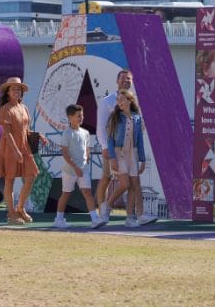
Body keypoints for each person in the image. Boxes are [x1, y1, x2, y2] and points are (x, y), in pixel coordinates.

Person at [105, 89, 158, 227]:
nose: (119, 102)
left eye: (122, 99)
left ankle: (135, 217)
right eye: (118, 100)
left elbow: (140, 141)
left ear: (129, 100)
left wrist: (142, 160)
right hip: (119, 153)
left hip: (132, 154)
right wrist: (112, 158)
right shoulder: (114, 117)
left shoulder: (137, 118)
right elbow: (110, 139)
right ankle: (107, 206)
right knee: (125, 184)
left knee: (136, 186)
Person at [0, 76, 39, 225]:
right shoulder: (5, 109)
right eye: (13, 89)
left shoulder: (23, 108)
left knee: (31, 176)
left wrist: (38, 136)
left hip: (25, 146)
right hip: (9, 148)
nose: (16, 91)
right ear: (7, 92)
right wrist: (15, 151)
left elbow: (25, 129)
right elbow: (7, 133)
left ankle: (20, 208)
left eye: (18, 89)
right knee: (9, 180)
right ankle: (11, 213)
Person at [54, 103, 101, 229]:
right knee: (66, 193)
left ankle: (95, 219)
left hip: (83, 170)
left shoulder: (85, 133)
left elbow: (86, 149)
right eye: (78, 116)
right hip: (70, 171)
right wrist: (75, 167)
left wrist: (87, 160)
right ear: (70, 118)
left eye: (82, 115)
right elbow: (64, 152)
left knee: (87, 193)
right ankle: (58, 219)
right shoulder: (67, 133)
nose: (81, 118)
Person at [95, 69, 132, 221]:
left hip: (128, 149)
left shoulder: (133, 101)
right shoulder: (108, 101)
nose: (125, 81)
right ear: (117, 81)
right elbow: (101, 126)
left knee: (126, 183)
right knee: (106, 178)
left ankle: (110, 208)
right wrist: (104, 146)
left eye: (128, 79)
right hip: (111, 147)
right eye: (123, 78)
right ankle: (102, 211)